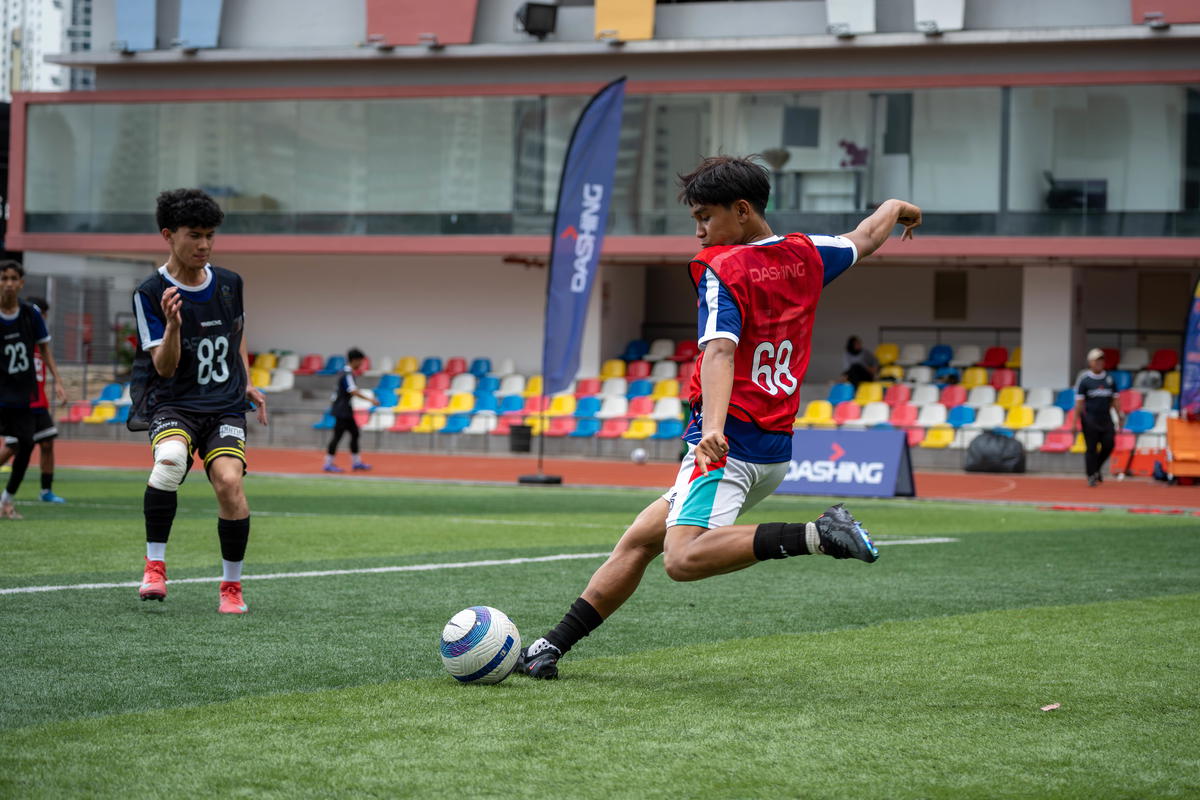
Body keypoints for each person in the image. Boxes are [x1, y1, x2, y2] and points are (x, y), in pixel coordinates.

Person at [519, 155, 922, 679]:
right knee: (640, 539)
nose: (700, 231)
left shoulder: (722, 269)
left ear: (743, 210)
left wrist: (711, 429)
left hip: (726, 447)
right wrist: (897, 207)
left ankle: (819, 534)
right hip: (773, 451)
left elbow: (719, 352)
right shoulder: (810, 255)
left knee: (680, 559)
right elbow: (867, 236)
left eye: (706, 217)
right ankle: (549, 648)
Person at [131, 188, 268, 613]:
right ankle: (155, 565)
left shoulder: (230, 283)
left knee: (229, 483)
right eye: (195, 235)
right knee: (171, 459)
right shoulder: (150, 292)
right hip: (173, 401)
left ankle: (231, 588)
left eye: (210, 235)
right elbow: (165, 367)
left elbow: (236, 333)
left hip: (224, 404)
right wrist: (173, 326)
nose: (204, 245)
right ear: (168, 235)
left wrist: (242, 378)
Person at [0, 265, 68, 519]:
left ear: (21, 283)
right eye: (4, 278)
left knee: (27, 444)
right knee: (16, 446)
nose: (8, 283)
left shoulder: (30, 314)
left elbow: (45, 349)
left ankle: (6, 500)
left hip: (22, 394)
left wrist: (58, 381)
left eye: (13, 279)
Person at [1075, 347, 1123, 487]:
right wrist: (1074, 422)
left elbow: (1115, 400)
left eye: (1101, 360)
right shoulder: (1085, 380)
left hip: (1106, 419)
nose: (1099, 363)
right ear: (1090, 362)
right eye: (1096, 360)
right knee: (1091, 448)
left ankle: (1096, 468)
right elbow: (1079, 403)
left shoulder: (1109, 379)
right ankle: (1091, 475)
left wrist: (1120, 415)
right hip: (1090, 419)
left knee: (1109, 444)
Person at [324, 347, 372, 473]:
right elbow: (352, 390)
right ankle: (328, 463)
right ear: (355, 360)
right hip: (342, 411)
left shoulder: (344, 373)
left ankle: (356, 462)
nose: (361, 364)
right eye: (360, 361)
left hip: (345, 410)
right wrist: (371, 400)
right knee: (338, 436)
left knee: (355, 434)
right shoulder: (347, 374)